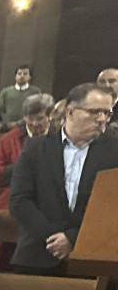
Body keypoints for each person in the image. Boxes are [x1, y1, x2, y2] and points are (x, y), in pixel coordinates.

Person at [8, 82, 118, 274]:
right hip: (38, 251)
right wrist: (53, 237)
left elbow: (112, 209)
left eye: (107, 113)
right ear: (70, 112)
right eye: (94, 112)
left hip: (94, 257)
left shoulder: (114, 151)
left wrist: (72, 238)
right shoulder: (36, 148)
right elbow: (19, 200)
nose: (102, 119)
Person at [0, 93, 53, 268]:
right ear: (24, 117)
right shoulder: (9, 139)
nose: (36, 123)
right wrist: (23, 168)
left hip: (49, 202)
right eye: (31, 118)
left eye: (41, 118)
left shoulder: (59, 138)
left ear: (50, 117)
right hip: (13, 198)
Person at [0, 65, 42, 136]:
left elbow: (36, 110)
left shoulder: (35, 92)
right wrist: (7, 123)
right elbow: (0, 109)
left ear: (29, 77)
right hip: (7, 128)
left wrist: (19, 123)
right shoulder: (6, 91)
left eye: (25, 74)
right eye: (19, 73)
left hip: (27, 128)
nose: (22, 76)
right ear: (15, 76)